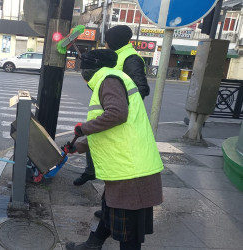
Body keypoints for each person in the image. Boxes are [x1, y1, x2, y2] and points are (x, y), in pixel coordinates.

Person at [64, 49, 163, 250]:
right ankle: (93, 244)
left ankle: (94, 245)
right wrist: (78, 146)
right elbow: (110, 132)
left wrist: (83, 128)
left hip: (131, 169)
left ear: (90, 71)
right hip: (126, 166)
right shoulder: (111, 79)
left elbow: (117, 114)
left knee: (129, 231)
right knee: (110, 209)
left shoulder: (108, 80)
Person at [72, 25, 150, 189]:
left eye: (107, 42)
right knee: (96, 136)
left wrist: (119, 98)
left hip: (121, 116)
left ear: (114, 42)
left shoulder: (130, 58)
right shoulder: (117, 55)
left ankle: (98, 182)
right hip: (113, 108)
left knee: (119, 172)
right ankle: (91, 171)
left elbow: (141, 87)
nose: (105, 45)